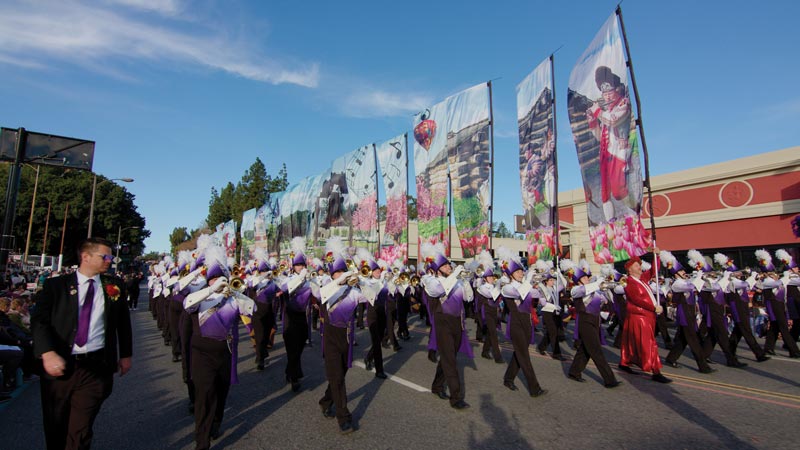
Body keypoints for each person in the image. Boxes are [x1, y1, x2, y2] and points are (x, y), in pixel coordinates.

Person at [31, 237, 132, 450]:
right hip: (62, 365)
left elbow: (123, 323)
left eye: (111, 256)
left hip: (96, 366)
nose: (109, 260)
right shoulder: (56, 286)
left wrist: (125, 355)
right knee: (56, 424)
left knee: (81, 428)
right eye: (104, 256)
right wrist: (47, 353)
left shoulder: (114, 285)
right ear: (85, 257)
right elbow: (39, 320)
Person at [183, 243, 255, 450]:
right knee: (204, 395)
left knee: (221, 393)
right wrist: (211, 289)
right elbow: (187, 303)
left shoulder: (233, 299)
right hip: (201, 353)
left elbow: (252, 308)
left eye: (221, 278)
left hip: (225, 352)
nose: (218, 282)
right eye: (214, 278)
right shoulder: (200, 297)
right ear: (208, 281)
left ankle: (216, 423)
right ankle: (202, 441)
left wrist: (234, 291)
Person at [318, 237, 367, 434]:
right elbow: (324, 294)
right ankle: (344, 417)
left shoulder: (352, 291)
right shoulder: (328, 290)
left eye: (342, 271)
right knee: (337, 377)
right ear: (332, 275)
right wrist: (341, 279)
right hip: (330, 338)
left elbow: (372, 295)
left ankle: (325, 400)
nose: (341, 275)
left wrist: (363, 279)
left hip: (346, 338)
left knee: (339, 376)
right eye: (337, 272)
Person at [421, 242, 474, 409]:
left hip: (457, 323)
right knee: (450, 360)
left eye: (448, 264)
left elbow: (469, 299)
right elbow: (437, 291)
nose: (449, 267)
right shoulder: (430, 280)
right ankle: (456, 398)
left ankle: (437, 386)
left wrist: (465, 282)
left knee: (448, 357)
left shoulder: (455, 280)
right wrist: (455, 275)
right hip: (442, 323)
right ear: (437, 269)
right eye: (444, 266)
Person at [586, 66, 632, 221]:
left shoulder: (623, 104)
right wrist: (593, 123)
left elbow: (612, 121)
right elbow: (600, 137)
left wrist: (597, 111)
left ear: (616, 89)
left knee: (619, 191)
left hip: (618, 153)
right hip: (605, 155)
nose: (606, 96)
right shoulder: (607, 110)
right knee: (605, 193)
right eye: (604, 93)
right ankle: (611, 223)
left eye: (609, 92)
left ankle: (633, 215)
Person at [566, 260, 622, 388]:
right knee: (596, 351)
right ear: (578, 280)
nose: (587, 278)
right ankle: (610, 380)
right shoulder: (576, 289)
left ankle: (574, 371)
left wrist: (608, 287)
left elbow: (606, 300)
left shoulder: (593, 289)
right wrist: (598, 282)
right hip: (585, 322)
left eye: (587, 276)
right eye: (584, 277)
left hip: (595, 321)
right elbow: (585, 290)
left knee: (585, 350)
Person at [499, 247, 546, 397]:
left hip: (527, 322)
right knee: (524, 356)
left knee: (519, 353)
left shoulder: (525, 285)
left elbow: (539, 297)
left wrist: (540, 285)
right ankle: (534, 388)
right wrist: (529, 280)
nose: (521, 273)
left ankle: (508, 378)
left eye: (522, 271)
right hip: (516, 323)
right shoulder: (507, 288)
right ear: (511, 274)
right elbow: (520, 293)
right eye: (518, 272)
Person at [619, 250, 671, 383]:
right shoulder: (628, 281)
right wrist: (653, 307)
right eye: (637, 266)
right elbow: (636, 299)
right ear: (630, 269)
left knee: (632, 341)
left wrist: (656, 256)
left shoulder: (642, 279)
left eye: (639, 265)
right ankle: (655, 370)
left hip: (647, 315)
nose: (640, 267)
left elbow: (654, 270)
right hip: (639, 316)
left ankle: (625, 362)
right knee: (648, 343)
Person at [661, 251, 715, 373]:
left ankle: (671, 358)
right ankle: (703, 366)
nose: (684, 272)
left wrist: (699, 276)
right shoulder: (677, 284)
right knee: (694, 340)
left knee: (683, 340)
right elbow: (692, 287)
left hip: (690, 312)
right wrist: (699, 275)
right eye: (681, 271)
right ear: (675, 274)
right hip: (684, 314)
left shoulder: (684, 281)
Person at [474, 251, 504, 364]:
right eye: (489, 276)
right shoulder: (482, 287)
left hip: (495, 312)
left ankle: (485, 351)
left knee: (491, 334)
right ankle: (498, 356)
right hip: (486, 313)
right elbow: (492, 295)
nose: (492, 278)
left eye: (492, 276)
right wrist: (499, 285)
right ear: (485, 278)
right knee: (494, 334)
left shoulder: (494, 285)